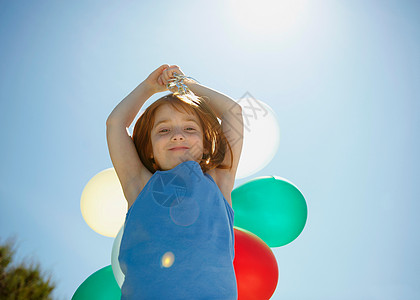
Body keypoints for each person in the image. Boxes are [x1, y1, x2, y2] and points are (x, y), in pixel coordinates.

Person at [106, 64, 244, 299]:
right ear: (149, 149)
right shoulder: (139, 186)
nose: (177, 135)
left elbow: (234, 112)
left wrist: (186, 86)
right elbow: (115, 124)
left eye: (190, 128)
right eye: (164, 130)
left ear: (205, 142)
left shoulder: (219, 181)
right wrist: (149, 88)